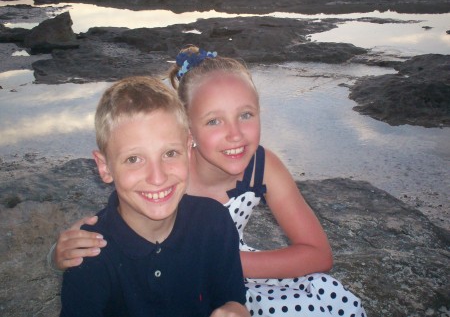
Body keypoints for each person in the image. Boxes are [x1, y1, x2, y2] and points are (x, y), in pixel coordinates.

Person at [51, 48, 367, 317]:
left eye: (246, 115)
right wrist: (57, 251)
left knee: (323, 299)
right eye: (214, 120)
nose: (234, 134)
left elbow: (319, 255)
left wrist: (223, 261)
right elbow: (125, 215)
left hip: (226, 267)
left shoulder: (262, 167)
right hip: (189, 268)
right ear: (186, 132)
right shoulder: (170, 173)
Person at [59, 76, 249, 317]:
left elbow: (233, 298)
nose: (157, 177)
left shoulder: (215, 222)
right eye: (133, 159)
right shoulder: (89, 255)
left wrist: (235, 310)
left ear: (188, 149)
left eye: (170, 153)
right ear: (105, 167)